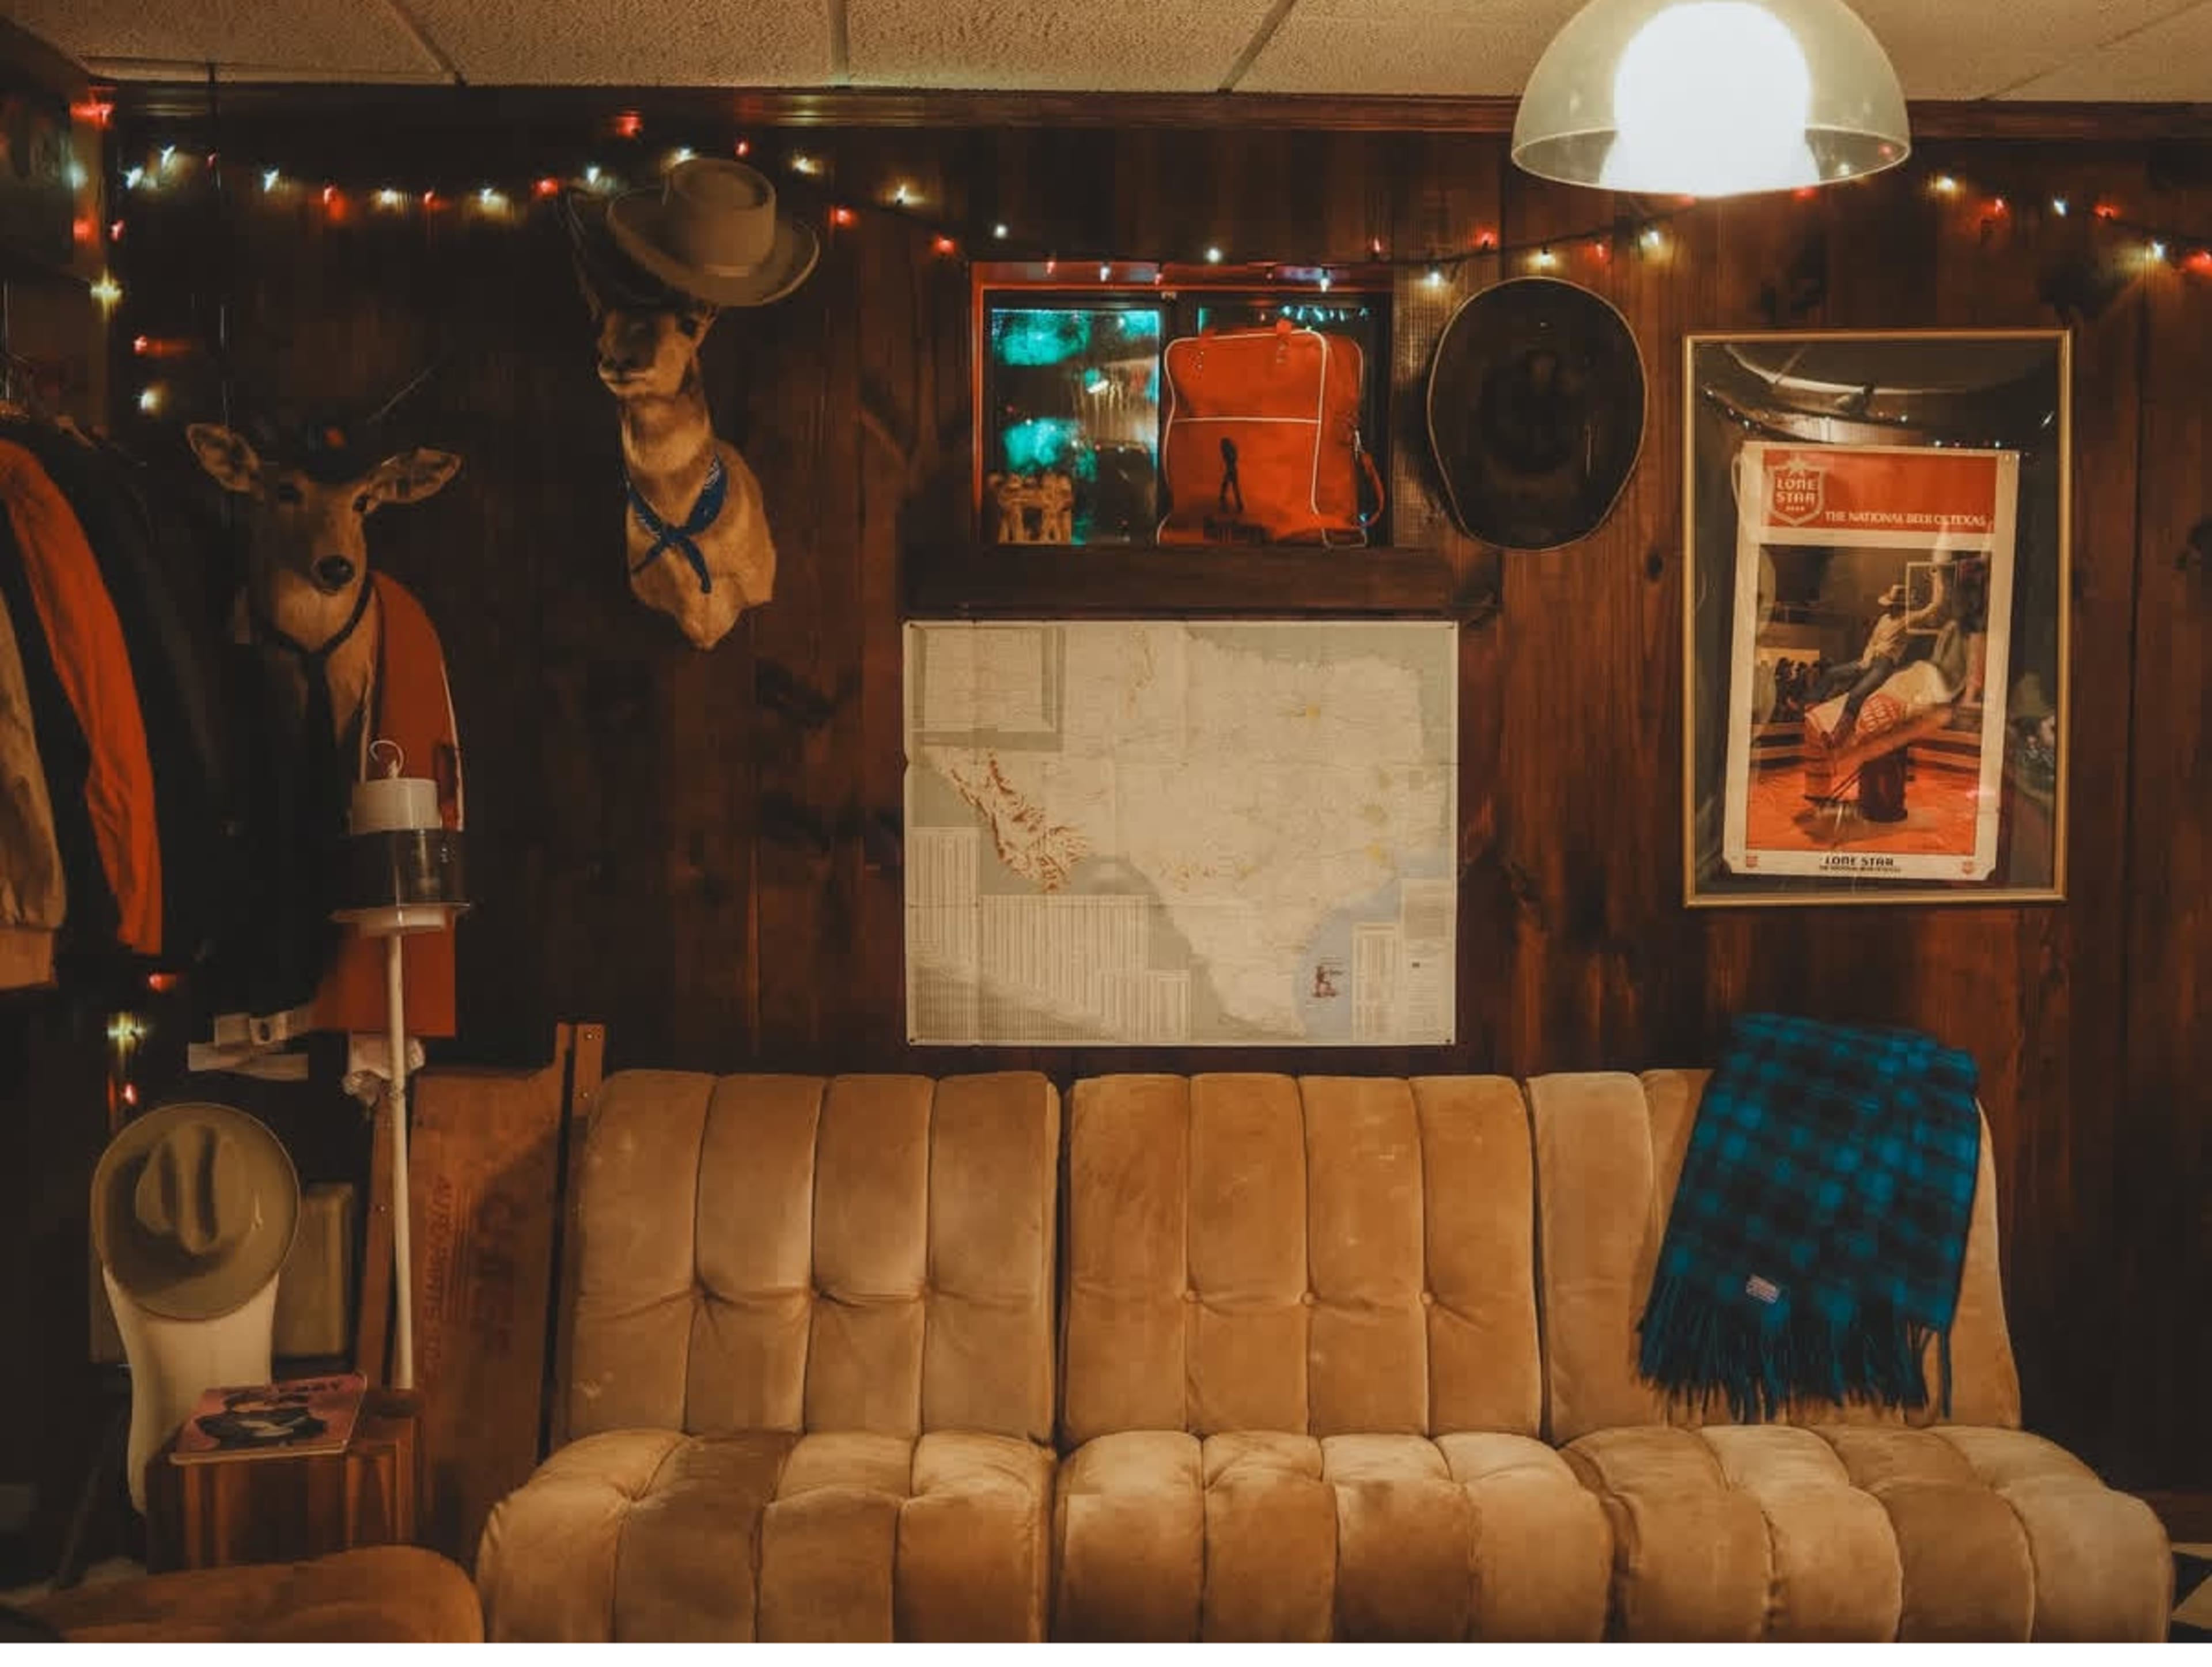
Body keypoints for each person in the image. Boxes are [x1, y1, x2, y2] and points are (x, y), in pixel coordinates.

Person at [1813, 578, 1945, 747]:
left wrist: (1937, 580)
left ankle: (1837, 738)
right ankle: (1811, 705)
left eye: (1893, 605)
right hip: (1870, 660)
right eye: (1890, 605)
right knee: (1833, 673)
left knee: (1856, 695)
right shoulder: (1884, 619)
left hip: (1885, 664)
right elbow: (1872, 641)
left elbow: (1935, 605)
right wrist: (1866, 659)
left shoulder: (1909, 619)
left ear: (1900, 606)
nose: (1890, 608)